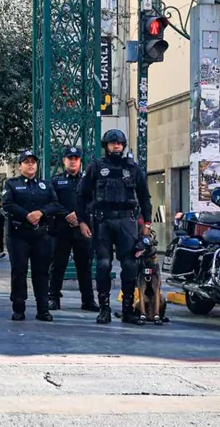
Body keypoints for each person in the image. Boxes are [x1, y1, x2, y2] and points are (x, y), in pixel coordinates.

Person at [76, 129, 152, 325]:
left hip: (127, 222)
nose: (116, 146)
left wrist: (148, 224)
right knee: (103, 265)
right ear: (106, 146)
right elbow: (81, 195)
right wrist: (82, 221)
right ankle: (104, 309)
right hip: (102, 222)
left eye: (119, 143)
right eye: (112, 143)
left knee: (129, 265)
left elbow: (144, 198)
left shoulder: (133, 169)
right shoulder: (96, 167)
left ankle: (127, 310)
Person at [1, 150, 60, 322]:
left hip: (41, 235)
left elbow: (55, 204)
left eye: (33, 162)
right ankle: (18, 308)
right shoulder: (11, 184)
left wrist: (40, 212)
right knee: (19, 271)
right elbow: (8, 204)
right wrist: (27, 215)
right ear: (20, 166)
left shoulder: (45, 185)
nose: (30, 164)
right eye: (26, 162)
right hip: (19, 234)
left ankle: (43, 309)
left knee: (41, 272)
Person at [49, 146, 98, 312]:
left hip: (82, 228)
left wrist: (79, 216)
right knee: (58, 265)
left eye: (76, 158)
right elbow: (53, 202)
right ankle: (53, 298)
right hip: (61, 228)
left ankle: (88, 301)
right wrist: (67, 215)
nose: (73, 161)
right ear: (64, 161)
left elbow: (93, 202)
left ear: (80, 161)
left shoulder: (88, 181)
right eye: (70, 158)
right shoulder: (55, 181)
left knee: (85, 265)